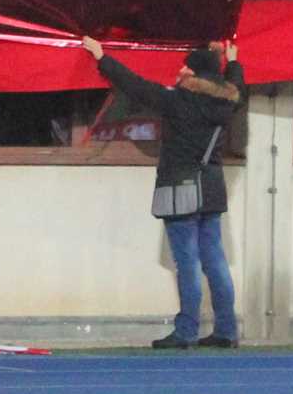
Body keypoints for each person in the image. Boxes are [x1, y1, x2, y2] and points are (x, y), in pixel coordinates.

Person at [79, 35, 244, 349]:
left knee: (188, 263)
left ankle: (186, 331)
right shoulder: (228, 101)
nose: (180, 70)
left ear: (195, 74)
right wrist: (233, 61)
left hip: (181, 188)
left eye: (186, 68)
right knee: (215, 261)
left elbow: (135, 85)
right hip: (212, 189)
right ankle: (226, 330)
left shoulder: (179, 101)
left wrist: (102, 57)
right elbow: (237, 85)